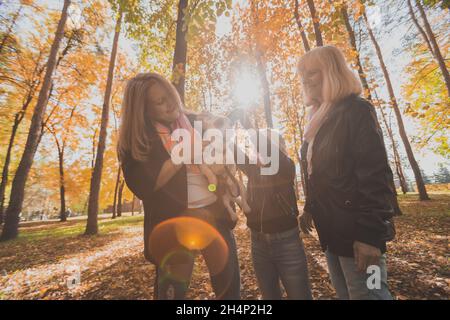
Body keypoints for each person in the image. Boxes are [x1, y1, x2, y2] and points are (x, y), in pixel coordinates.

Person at [117, 72, 240, 300]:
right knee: (172, 294)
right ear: (144, 111)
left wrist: (222, 158)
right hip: (174, 225)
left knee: (229, 290)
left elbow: (222, 147)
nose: (170, 104)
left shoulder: (194, 122)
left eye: (169, 96)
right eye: (159, 102)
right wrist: (182, 153)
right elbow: (144, 185)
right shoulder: (138, 139)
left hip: (215, 217)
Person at [297, 45, 394, 300]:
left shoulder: (357, 110)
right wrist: (309, 207)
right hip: (331, 234)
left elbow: (376, 175)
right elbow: (317, 175)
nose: (305, 79)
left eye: (312, 73)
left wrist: (370, 236)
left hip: (359, 238)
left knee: (373, 294)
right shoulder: (316, 121)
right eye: (302, 74)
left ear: (332, 72)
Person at [235, 123, 312, 300]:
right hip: (258, 243)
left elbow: (270, 153)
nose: (258, 148)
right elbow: (235, 153)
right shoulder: (254, 170)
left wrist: (248, 124)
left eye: (266, 143)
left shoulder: (286, 166)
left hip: (287, 243)